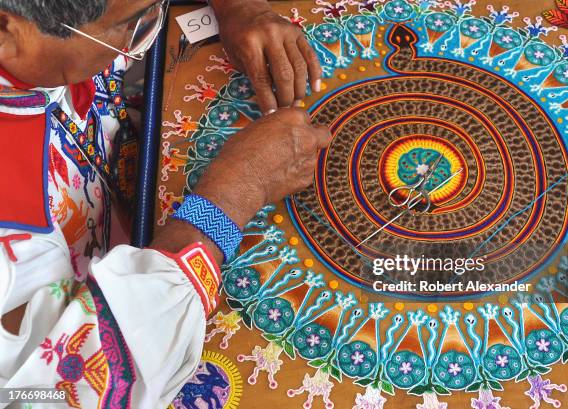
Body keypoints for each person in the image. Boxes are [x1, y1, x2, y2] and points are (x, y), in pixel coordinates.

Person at [0, 0, 330, 408]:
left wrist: (239, 7)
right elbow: (52, 392)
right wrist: (232, 194)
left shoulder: (51, 38)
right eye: (130, 25)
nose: (148, 29)